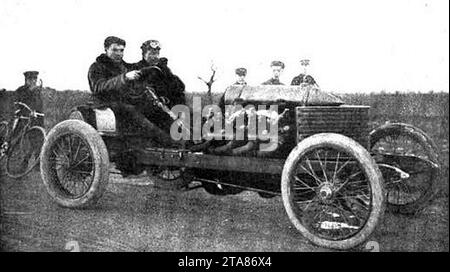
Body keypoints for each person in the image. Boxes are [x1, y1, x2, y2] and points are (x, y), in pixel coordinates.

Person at [87, 36, 176, 146]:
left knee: (155, 109)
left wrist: (155, 66)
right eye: (115, 50)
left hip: (126, 102)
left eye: (121, 50)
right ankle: (169, 143)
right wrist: (125, 78)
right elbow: (99, 87)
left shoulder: (123, 66)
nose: (119, 53)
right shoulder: (96, 67)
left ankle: (182, 141)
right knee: (131, 111)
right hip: (106, 105)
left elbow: (140, 70)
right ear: (106, 49)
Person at [131, 39, 186, 131]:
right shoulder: (137, 68)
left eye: (157, 53)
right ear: (144, 54)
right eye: (151, 53)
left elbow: (179, 87)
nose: (155, 57)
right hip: (150, 109)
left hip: (169, 106)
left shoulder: (163, 69)